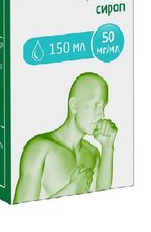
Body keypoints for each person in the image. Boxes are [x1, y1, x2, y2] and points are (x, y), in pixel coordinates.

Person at [14, 72, 118, 203]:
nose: (101, 114)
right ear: (74, 105)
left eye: (103, 106)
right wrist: (72, 188)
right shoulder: (40, 148)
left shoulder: (92, 153)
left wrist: (108, 147)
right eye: (95, 105)